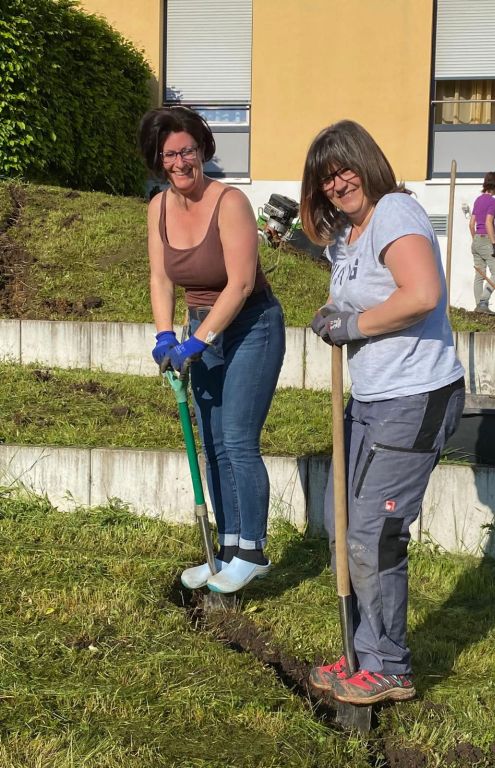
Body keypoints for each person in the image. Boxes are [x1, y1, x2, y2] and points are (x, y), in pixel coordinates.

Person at [300, 120, 465, 706]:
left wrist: (354, 326)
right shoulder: (348, 235)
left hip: (415, 396)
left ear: (366, 161)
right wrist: (331, 314)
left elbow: (422, 294)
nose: (337, 183)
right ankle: (360, 654)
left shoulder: (395, 211)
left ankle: (389, 666)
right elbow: (350, 299)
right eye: (325, 178)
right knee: (343, 525)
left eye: (343, 169)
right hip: (370, 398)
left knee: (374, 534)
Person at [138, 106, 285, 594]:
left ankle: (253, 552)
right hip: (200, 326)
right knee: (214, 442)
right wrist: (166, 336)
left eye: (187, 151)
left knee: (238, 438)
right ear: (159, 161)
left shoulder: (230, 202)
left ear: (202, 150)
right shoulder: (158, 208)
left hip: (251, 325)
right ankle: (226, 548)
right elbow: (161, 278)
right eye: (169, 155)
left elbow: (240, 283)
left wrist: (197, 343)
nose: (180, 162)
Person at [470, 171, 495, 314]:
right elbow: (488, 222)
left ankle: (479, 307)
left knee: (480, 274)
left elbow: (471, 224)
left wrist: (476, 240)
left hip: (476, 240)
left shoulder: (478, 200)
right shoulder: (492, 201)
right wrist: (494, 245)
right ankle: (483, 303)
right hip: (486, 240)